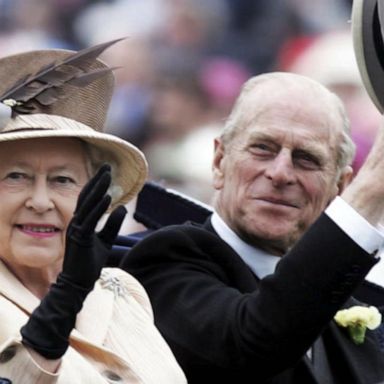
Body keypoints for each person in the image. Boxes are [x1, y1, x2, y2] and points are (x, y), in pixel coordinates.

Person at [120, 69, 384, 384]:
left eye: (307, 159)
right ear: (219, 162)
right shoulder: (161, 262)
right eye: (262, 148)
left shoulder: (345, 299)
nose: (280, 173)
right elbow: (254, 343)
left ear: (338, 189)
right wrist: (371, 190)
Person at [0, 41, 186, 383]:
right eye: (17, 176)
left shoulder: (122, 291)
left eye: (62, 180)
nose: (41, 201)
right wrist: (66, 297)